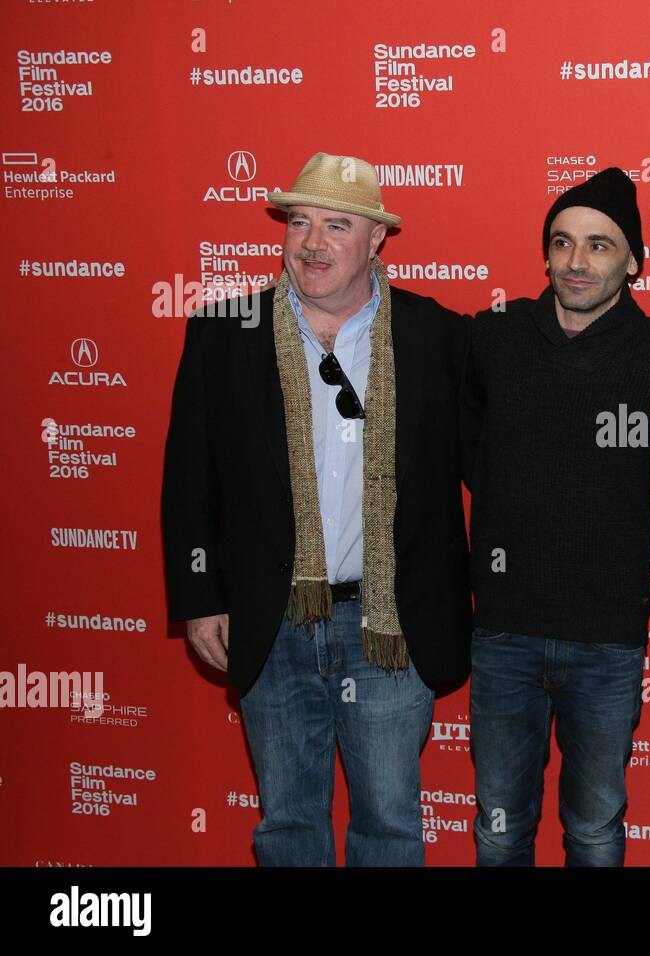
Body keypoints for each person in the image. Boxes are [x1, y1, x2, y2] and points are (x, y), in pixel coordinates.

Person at [161, 152, 472, 866]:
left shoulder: (438, 338)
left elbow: (492, 466)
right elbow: (189, 480)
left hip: (389, 623)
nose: (311, 241)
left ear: (376, 242)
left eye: (337, 225)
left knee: (389, 825)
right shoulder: (223, 333)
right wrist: (202, 597)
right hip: (271, 620)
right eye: (299, 221)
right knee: (288, 825)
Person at [460, 168, 650, 866]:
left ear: (633, 261)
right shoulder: (495, 337)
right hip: (503, 635)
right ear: (545, 252)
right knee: (498, 830)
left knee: (596, 831)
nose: (577, 262)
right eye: (563, 243)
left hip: (606, 643)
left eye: (600, 246)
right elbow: (464, 447)